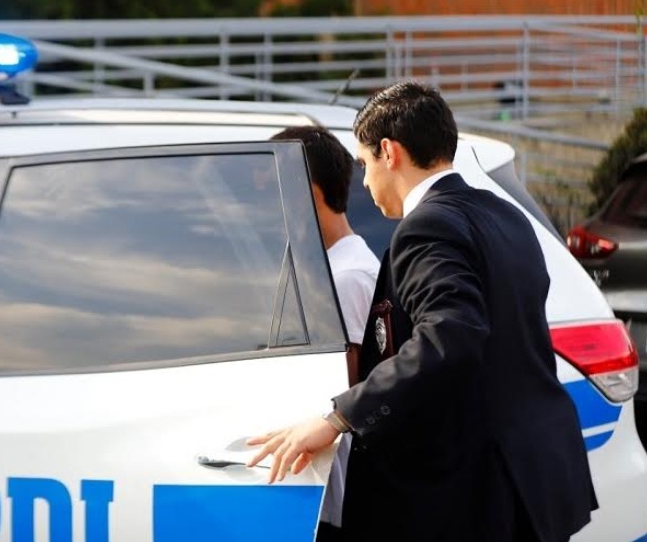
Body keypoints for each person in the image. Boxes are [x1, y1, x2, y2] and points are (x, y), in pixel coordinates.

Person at [248, 81, 596, 542]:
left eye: (365, 164)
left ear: (389, 152)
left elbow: (450, 335)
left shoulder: (426, 226)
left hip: (474, 494)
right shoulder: (506, 214)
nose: (365, 182)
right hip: (537, 478)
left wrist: (338, 418)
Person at [271, 126, 380, 541]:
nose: (268, 208)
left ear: (309, 194)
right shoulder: (324, 268)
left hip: (331, 493)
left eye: (275, 191)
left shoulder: (348, 277)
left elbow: (343, 391)